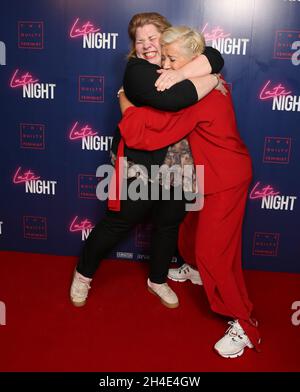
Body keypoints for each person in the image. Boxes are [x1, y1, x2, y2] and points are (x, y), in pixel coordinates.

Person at [117, 26, 260, 358]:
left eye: (171, 58)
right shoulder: (197, 81)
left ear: (194, 60)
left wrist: (123, 100)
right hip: (206, 176)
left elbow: (150, 134)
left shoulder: (196, 92)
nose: (164, 65)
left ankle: (245, 324)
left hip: (225, 178)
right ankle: (194, 269)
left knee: (215, 253)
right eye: (163, 57)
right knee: (189, 229)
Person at [70, 12, 224, 310]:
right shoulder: (136, 70)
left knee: (168, 224)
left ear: (166, 38)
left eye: (153, 38)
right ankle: (83, 275)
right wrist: (209, 78)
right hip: (140, 162)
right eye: (140, 41)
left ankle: (158, 279)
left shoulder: (179, 62)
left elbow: (215, 56)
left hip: (178, 161)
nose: (147, 45)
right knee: (119, 222)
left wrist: (188, 71)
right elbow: (174, 99)